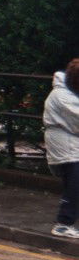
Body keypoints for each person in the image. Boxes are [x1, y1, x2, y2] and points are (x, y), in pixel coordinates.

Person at [43, 58, 79, 239]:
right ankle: (63, 224)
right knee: (74, 184)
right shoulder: (63, 97)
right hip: (67, 149)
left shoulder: (67, 94)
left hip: (70, 146)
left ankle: (66, 222)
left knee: (74, 184)